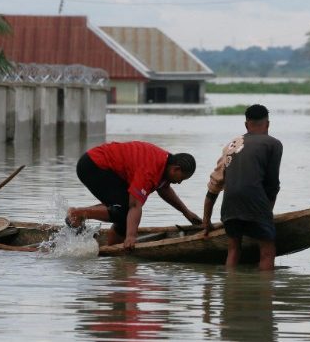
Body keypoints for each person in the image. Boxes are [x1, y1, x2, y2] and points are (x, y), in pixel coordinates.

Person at [66, 141, 202, 251]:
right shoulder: (150, 170)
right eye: (181, 178)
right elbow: (135, 205)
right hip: (93, 165)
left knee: (126, 216)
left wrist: (187, 213)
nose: (179, 182)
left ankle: (112, 249)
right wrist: (131, 236)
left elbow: (164, 189)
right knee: (125, 211)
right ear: (175, 169)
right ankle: (78, 214)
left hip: (104, 167)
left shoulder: (165, 165)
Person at [202, 104, 283, 270]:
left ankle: (230, 288)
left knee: (233, 249)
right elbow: (272, 184)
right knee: (267, 251)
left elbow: (214, 186)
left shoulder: (232, 145)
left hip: (229, 207)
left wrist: (206, 221)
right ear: (268, 124)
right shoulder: (273, 144)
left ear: (246, 124)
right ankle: (266, 292)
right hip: (256, 204)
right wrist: (267, 213)